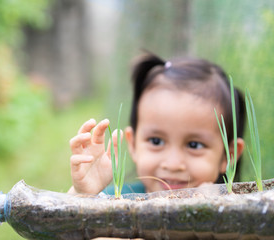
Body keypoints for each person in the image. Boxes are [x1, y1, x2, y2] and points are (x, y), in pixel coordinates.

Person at [67, 52, 246, 195]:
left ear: (228, 155)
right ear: (133, 144)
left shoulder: (236, 212)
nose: (173, 164)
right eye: (156, 141)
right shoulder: (113, 200)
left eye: (194, 145)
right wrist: (83, 196)